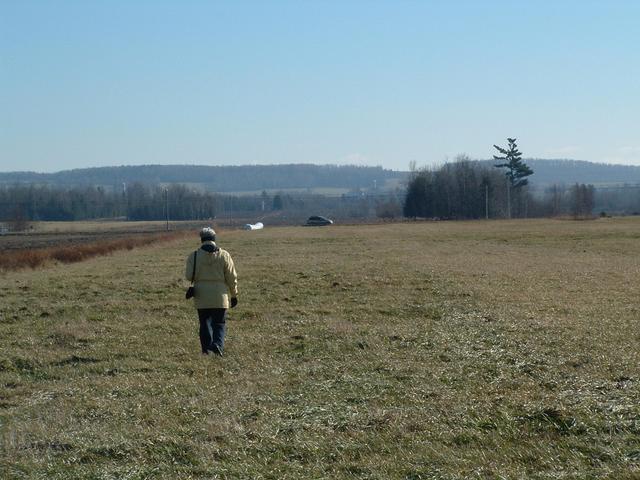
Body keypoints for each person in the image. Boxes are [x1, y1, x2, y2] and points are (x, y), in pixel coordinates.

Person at [185, 227, 238, 356]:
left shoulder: (194, 255)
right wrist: (234, 294)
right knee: (219, 323)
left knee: (204, 324)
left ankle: (206, 350)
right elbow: (232, 277)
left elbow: (188, 275)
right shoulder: (224, 255)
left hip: (201, 296)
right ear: (214, 239)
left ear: (201, 239)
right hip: (220, 296)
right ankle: (217, 344)